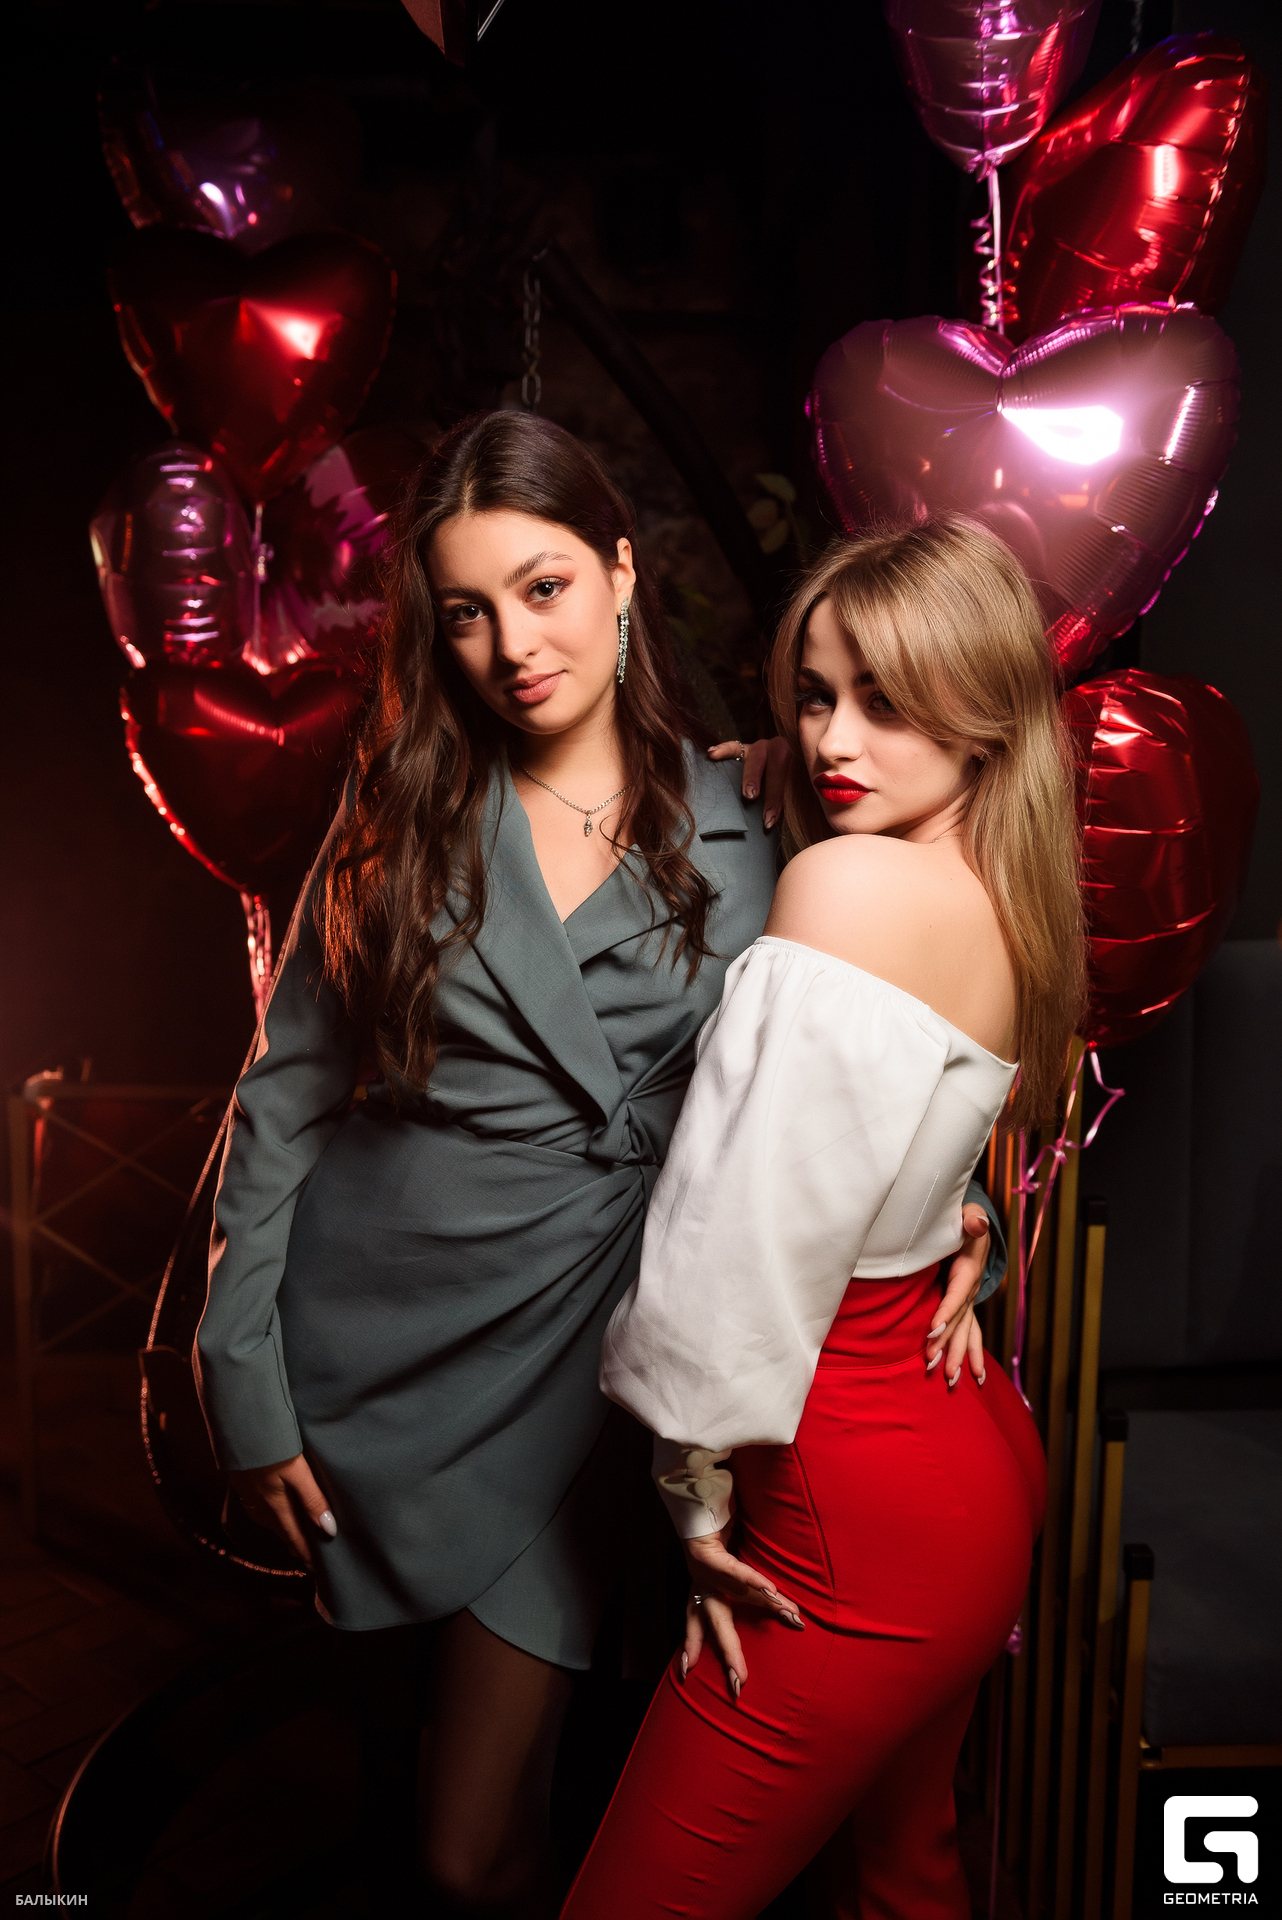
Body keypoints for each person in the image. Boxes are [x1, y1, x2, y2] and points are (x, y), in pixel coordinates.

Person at [194, 416, 1002, 1918]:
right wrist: (238, 1379)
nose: (514, 646)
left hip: (600, 1365)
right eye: (467, 610)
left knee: (472, 1841)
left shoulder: (769, 806)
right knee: (412, 1781)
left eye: (546, 587)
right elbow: (282, 1097)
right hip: (389, 1334)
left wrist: (955, 1206)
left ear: (623, 575)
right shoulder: (397, 812)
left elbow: (874, 1049)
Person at [563, 516, 1084, 1919]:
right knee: (907, 1878)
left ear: (980, 712)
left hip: (849, 1519)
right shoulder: (1007, 890)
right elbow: (900, 1155)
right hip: (968, 1456)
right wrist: (962, 1221)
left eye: (884, 702)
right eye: (812, 695)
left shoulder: (849, 883)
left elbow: (732, 1240)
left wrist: (692, 1495)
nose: (832, 739)